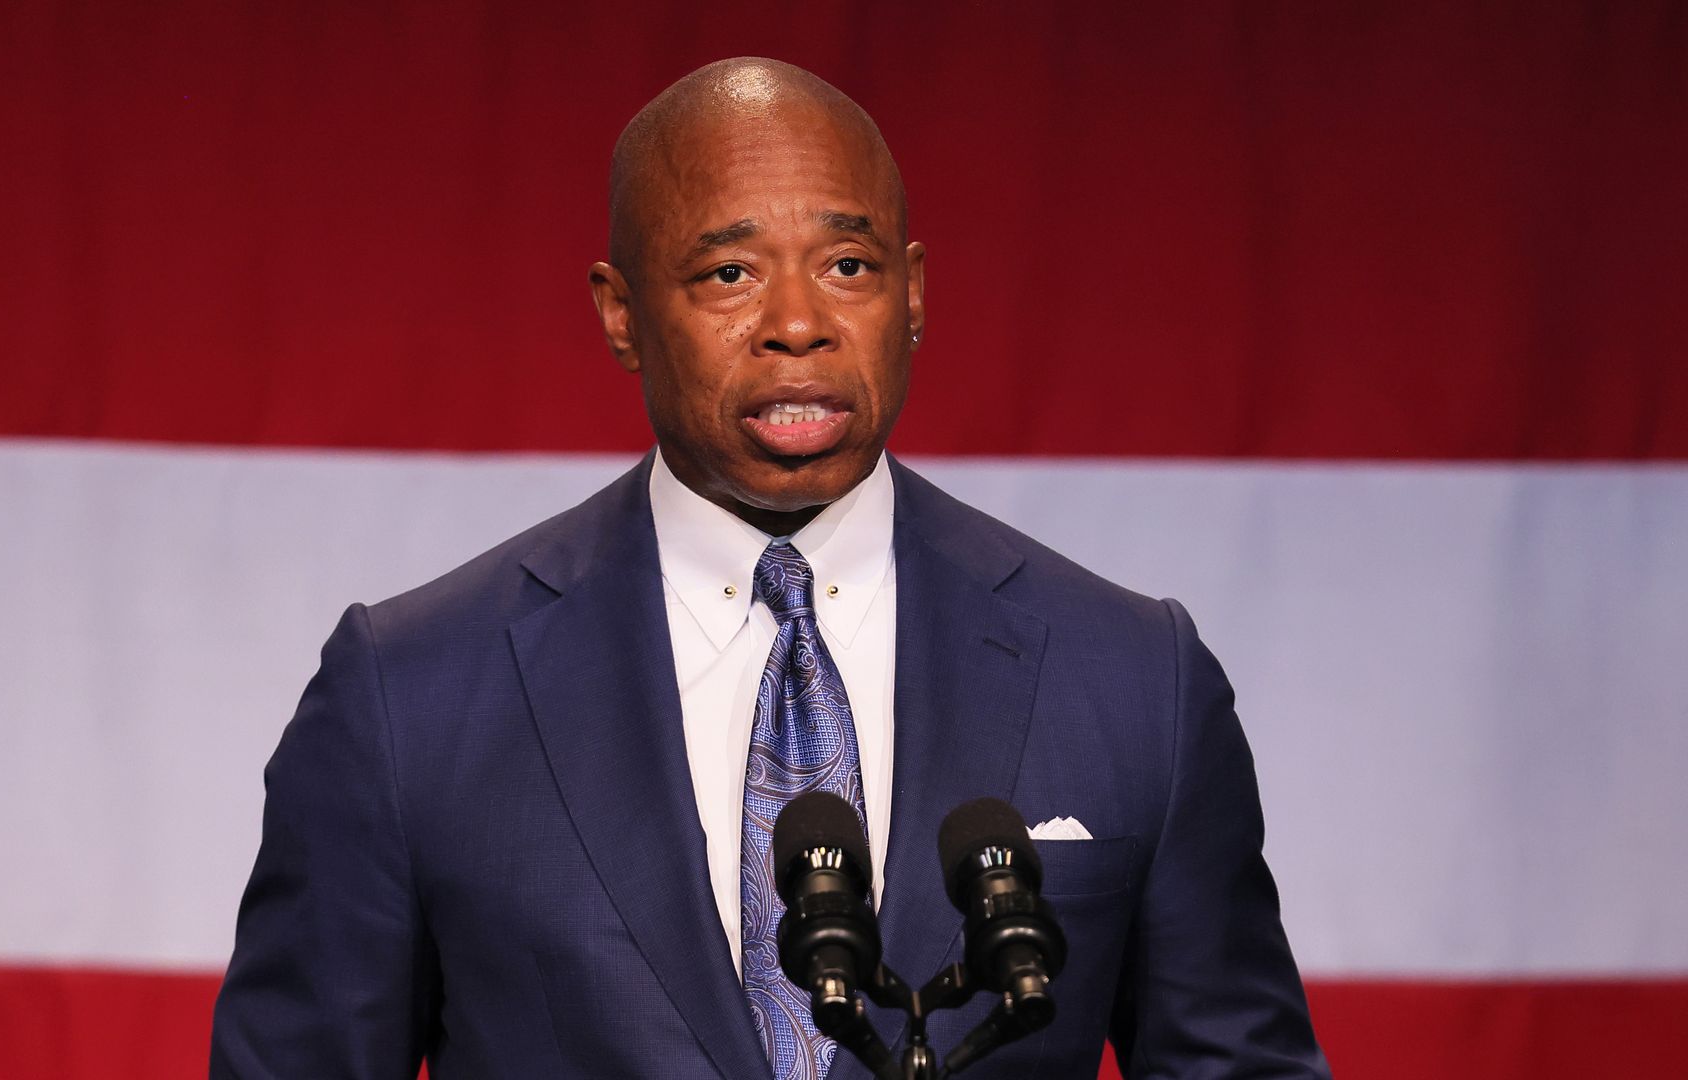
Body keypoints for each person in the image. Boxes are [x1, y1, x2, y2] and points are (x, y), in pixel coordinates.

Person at [210, 57, 1330, 1080]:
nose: (799, 323)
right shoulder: (413, 694)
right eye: (729, 273)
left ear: (917, 293)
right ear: (620, 313)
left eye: (849, 264)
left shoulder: (1135, 679)